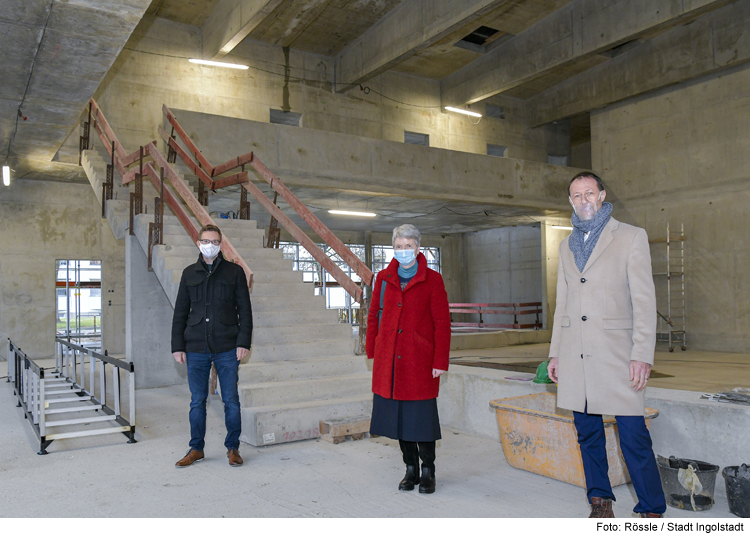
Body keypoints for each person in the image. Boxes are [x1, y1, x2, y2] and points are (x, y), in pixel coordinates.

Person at [548, 172, 666, 518]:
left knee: (633, 437)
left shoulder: (630, 237)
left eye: (589, 193)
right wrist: (555, 353)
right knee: (588, 434)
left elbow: (644, 301)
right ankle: (600, 500)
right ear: (570, 201)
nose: (583, 200)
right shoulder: (566, 244)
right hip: (576, 354)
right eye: (575, 195)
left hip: (618, 356)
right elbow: (564, 303)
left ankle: (651, 509)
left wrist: (642, 355)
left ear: (601, 195)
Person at [366, 224, 451, 494]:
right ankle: (410, 469)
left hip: (419, 360)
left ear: (418, 247)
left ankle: (428, 470)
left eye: (408, 246)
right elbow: (373, 315)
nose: (403, 251)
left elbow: (442, 323)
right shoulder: (383, 278)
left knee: (421, 419)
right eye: (398, 246)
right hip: (390, 359)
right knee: (399, 419)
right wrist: (373, 350)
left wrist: (440, 360)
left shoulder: (433, 279)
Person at [171, 224, 253, 468]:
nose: (210, 244)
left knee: (231, 400)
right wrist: (178, 346)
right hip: (196, 347)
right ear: (198, 243)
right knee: (197, 401)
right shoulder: (189, 274)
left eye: (215, 241)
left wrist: (243, 342)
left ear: (221, 244)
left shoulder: (235, 273)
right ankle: (196, 448)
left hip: (228, 346)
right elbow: (180, 313)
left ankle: (233, 448)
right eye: (206, 240)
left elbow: (245, 312)